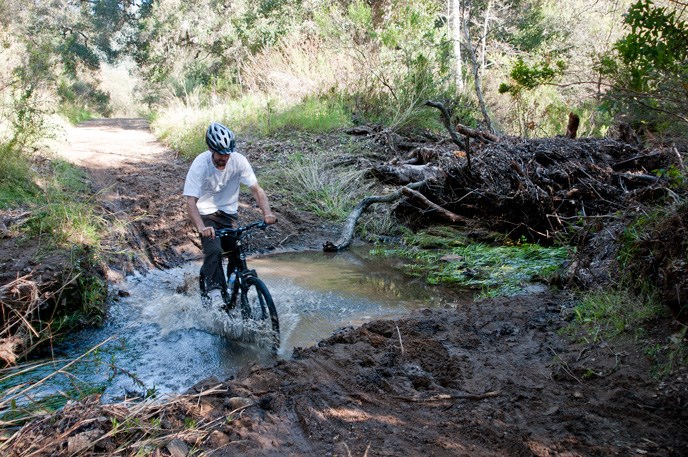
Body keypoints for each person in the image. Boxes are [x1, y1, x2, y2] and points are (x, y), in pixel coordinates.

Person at [183, 122, 277, 306]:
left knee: (236, 250)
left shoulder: (238, 161)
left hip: (228, 213)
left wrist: (267, 213)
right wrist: (202, 227)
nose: (224, 158)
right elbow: (190, 201)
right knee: (215, 250)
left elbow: (257, 190)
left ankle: (238, 286)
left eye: (228, 153)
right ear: (211, 149)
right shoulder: (200, 164)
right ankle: (215, 291)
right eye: (220, 154)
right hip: (205, 214)